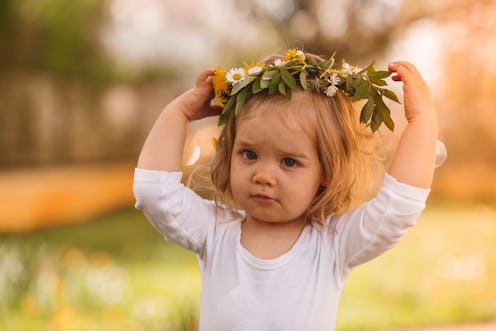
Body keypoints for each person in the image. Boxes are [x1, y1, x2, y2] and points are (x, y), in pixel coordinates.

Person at [133, 49, 439, 330]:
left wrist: (422, 121)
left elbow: (396, 209)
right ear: (229, 153)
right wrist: (178, 113)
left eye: (289, 162)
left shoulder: (332, 244)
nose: (264, 176)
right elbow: (155, 194)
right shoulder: (215, 232)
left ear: (325, 172)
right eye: (249, 154)